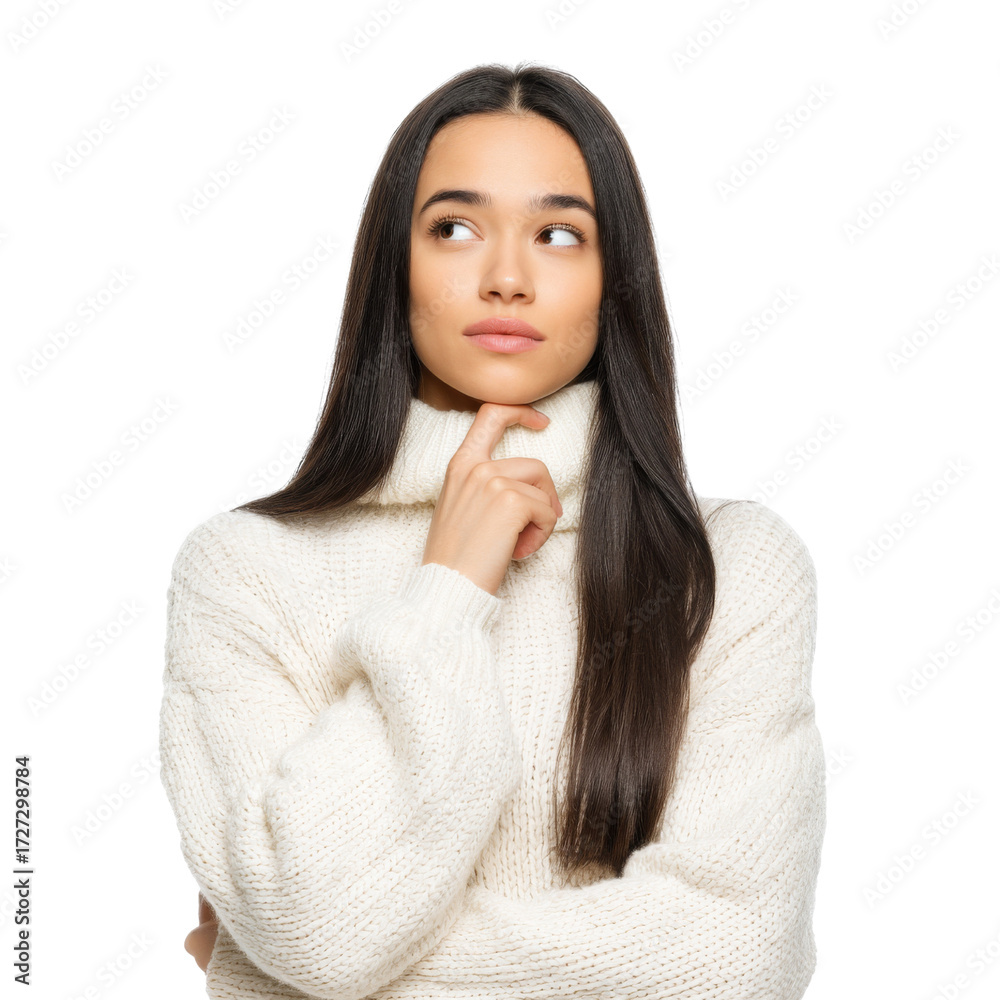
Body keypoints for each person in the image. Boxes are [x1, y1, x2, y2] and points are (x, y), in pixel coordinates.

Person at [158, 61, 826, 999]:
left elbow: (733, 956)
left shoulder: (730, 569)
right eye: (456, 229)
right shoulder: (244, 570)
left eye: (558, 235)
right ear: (394, 266)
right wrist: (447, 591)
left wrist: (261, 970)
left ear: (614, 280)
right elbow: (317, 927)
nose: (507, 279)